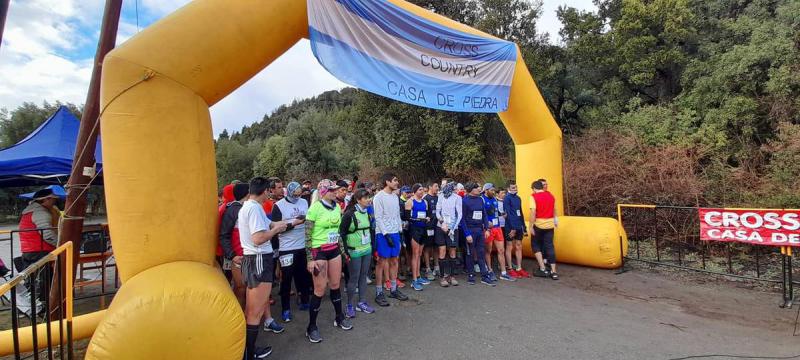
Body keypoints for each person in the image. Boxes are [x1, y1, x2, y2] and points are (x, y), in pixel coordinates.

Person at [239, 177, 289, 359]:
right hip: (259, 259)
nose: (271, 193)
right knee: (255, 311)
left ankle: (248, 351)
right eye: (270, 190)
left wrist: (283, 224)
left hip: (255, 259)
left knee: (254, 309)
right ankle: (249, 353)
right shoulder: (253, 208)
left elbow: (267, 225)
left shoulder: (250, 206)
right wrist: (276, 230)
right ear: (265, 191)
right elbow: (258, 238)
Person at [304, 179, 353, 343]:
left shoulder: (336, 207)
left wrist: (343, 251)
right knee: (319, 290)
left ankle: (339, 317)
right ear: (324, 191)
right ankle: (311, 327)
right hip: (319, 252)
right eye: (332, 189)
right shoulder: (315, 208)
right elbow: (307, 235)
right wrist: (310, 258)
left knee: (335, 285)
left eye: (335, 189)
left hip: (334, 250)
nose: (336, 191)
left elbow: (338, 232)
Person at [271, 182, 311, 322]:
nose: (297, 197)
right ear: (288, 193)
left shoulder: (304, 202)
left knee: (304, 276)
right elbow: (275, 229)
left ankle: (305, 301)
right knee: (286, 280)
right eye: (295, 195)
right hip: (286, 247)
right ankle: (285, 309)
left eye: (299, 195)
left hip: (302, 245)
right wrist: (294, 223)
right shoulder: (279, 206)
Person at [373, 173, 409, 306]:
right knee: (382, 262)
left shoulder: (395, 197)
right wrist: (386, 234)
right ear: (387, 182)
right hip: (383, 234)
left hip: (395, 232)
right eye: (394, 180)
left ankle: (394, 289)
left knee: (395, 260)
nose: (397, 182)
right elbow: (378, 217)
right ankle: (379, 292)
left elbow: (397, 216)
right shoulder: (379, 197)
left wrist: (400, 232)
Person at [18, 188, 60, 303]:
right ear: (46, 199)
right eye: (52, 200)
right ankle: (45, 304)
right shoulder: (40, 212)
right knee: (45, 281)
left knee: (34, 280)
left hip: (29, 250)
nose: (54, 202)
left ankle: (36, 304)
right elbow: (47, 234)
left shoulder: (29, 211)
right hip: (40, 250)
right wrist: (60, 245)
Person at [340, 189, 376, 318]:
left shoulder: (367, 213)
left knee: (363, 276)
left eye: (369, 197)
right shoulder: (349, 214)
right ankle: (349, 305)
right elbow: (342, 233)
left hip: (367, 250)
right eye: (365, 198)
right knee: (353, 278)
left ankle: (361, 302)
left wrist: (373, 247)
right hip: (354, 251)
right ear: (358, 200)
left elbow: (371, 230)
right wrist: (345, 252)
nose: (368, 200)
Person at [219, 183, 250, 309]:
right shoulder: (232, 210)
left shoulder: (250, 208)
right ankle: (238, 317)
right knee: (241, 288)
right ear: (247, 194)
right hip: (238, 257)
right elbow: (224, 235)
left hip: (249, 255)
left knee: (248, 288)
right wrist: (232, 255)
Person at [461, 183, 494, 286]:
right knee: (470, 253)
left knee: (481, 252)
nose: (478, 189)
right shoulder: (464, 201)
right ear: (471, 190)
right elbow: (462, 219)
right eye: (476, 188)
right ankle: (471, 275)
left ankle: (484, 275)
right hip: (470, 230)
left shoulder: (480, 199)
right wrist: (467, 234)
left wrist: (487, 229)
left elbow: (484, 215)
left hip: (480, 230)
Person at [482, 184, 514, 282]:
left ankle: (503, 273)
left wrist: (502, 214)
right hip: (488, 229)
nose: (493, 192)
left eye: (494, 190)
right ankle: (490, 270)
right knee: (488, 251)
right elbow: (481, 213)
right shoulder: (482, 199)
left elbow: (494, 211)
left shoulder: (495, 199)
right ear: (486, 190)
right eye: (491, 190)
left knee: (501, 250)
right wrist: (486, 223)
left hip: (498, 227)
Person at [529, 180, 559, 280]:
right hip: (550, 225)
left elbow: (533, 212)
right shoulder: (551, 196)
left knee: (535, 245)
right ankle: (554, 272)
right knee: (550, 246)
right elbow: (554, 209)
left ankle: (543, 268)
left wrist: (531, 226)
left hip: (538, 224)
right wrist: (556, 219)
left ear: (534, 188)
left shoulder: (533, 196)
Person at [435, 182, 462, 287]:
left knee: (452, 251)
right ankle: (442, 277)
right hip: (441, 227)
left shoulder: (457, 198)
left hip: (453, 227)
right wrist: (442, 223)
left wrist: (453, 228)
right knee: (442, 250)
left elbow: (459, 214)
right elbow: (438, 212)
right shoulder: (441, 196)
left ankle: (452, 276)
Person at [406, 184, 431, 291]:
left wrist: (428, 218)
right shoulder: (410, 201)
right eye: (420, 190)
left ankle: (419, 276)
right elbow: (407, 217)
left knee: (419, 254)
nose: (422, 192)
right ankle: (414, 280)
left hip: (423, 229)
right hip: (414, 230)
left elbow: (428, 214)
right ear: (415, 191)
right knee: (415, 254)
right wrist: (418, 220)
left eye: (423, 190)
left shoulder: (425, 202)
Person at [503, 181, 529, 278]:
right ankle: (510, 268)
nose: (515, 189)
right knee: (509, 246)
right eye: (513, 188)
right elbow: (508, 214)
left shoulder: (518, 198)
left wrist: (524, 227)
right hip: (510, 227)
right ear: (508, 189)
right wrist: (512, 228)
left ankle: (519, 268)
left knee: (519, 246)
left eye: (516, 187)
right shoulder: (507, 198)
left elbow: (520, 213)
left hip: (519, 226)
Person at [422, 182, 440, 280]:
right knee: (427, 248)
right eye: (436, 186)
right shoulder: (425, 199)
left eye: (438, 186)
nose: (437, 188)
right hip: (428, 227)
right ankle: (428, 269)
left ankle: (437, 267)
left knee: (436, 246)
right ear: (430, 187)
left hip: (437, 226)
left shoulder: (439, 198)